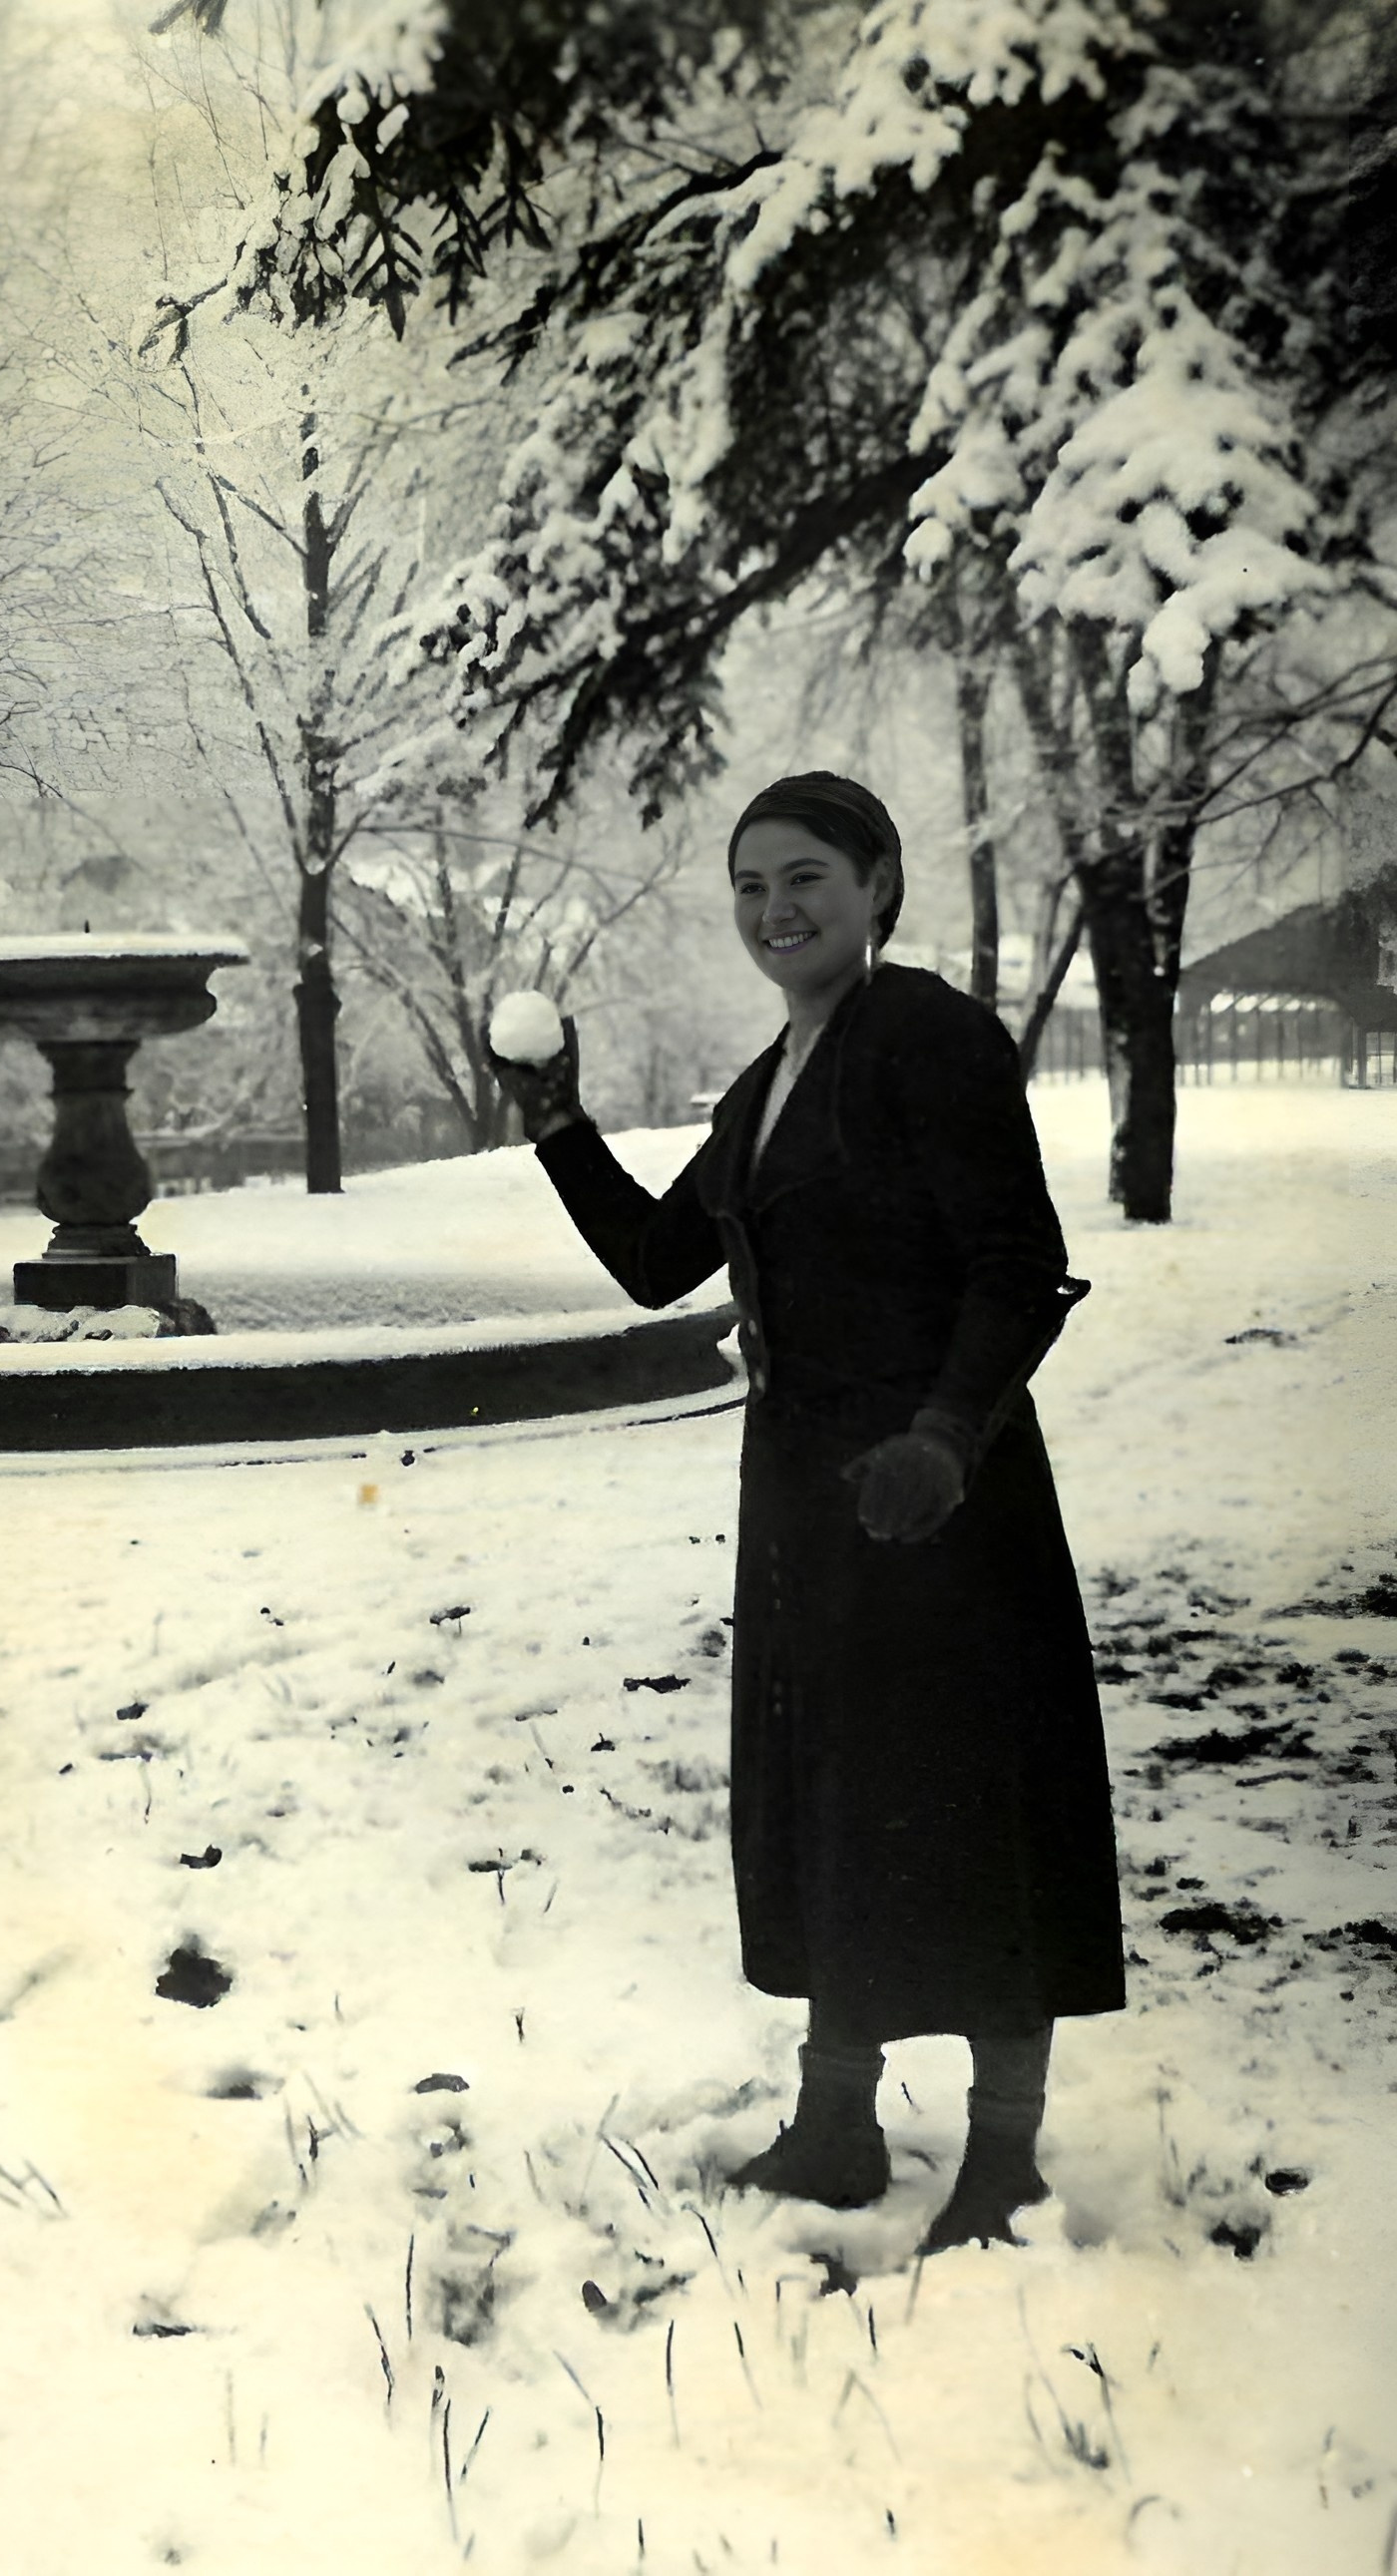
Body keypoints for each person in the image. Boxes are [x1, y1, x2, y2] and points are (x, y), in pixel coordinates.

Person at [489, 772, 1126, 2253]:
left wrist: (945, 1436)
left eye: (806, 879)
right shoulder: (774, 1076)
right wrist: (560, 1120)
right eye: (750, 886)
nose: (775, 910)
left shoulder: (934, 1039)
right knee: (842, 1801)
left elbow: (1016, 1264)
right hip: (808, 1509)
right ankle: (837, 2122)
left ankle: (1005, 2157)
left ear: (880, 883)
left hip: (938, 1503)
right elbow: (660, 1259)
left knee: (971, 1807)